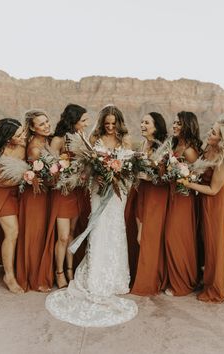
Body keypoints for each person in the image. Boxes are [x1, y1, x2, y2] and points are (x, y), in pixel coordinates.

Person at [45, 105, 138, 327]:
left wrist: (118, 173)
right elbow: (86, 167)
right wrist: (96, 175)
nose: (110, 125)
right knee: (98, 228)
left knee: (115, 228)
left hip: (118, 192)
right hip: (97, 190)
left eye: (114, 122)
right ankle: (94, 276)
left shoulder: (125, 140)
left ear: (120, 122)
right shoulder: (93, 137)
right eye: (107, 121)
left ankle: (116, 277)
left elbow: (130, 166)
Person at [178, 113, 224, 302]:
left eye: (214, 132)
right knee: (205, 240)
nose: (209, 133)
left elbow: (213, 189)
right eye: (211, 129)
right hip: (205, 200)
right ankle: (206, 276)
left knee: (214, 243)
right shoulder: (207, 147)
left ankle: (214, 286)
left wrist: (186, 183)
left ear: (223, 138)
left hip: (217, 202)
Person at [38, 104, 90, 290]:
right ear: (74, 120)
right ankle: (59, 272)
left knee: (72, 235)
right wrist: (64, 173)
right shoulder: (58, 140)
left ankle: (70, 270)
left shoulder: (81, 138)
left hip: (77, 192)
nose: (86, 123)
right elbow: (50, 170)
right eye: (83, 120)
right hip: (62, 193)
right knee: (62, 236)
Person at [164, 111, 202, 296]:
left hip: (184, 198)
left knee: (177, 238)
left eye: (179, 123)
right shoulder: (175, 144)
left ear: (187, 125)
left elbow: (197, 176)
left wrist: (182, 178)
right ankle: (174, 278)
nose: (175, 126)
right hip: (172, 195)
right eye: (174, 122)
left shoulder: (189, 150)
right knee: (170, 238)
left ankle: (183, 283)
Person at [131, 112, 169, 296]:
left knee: (146, 237)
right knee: (139, 236)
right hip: (141, 192)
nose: (142, 125)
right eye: (141, 121)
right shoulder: (141, 145)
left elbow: (164, 175)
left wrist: (149, 171)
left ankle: (149, 281)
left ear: (156, 127)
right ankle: (143, 276)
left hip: (155, 194)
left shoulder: (162, 147)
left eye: (147, 122)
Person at [16, 109, 52, 291]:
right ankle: (33, 278)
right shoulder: (34, 148)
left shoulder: (46, 142)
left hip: (44, 195)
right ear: (32, 127)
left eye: (46, 122)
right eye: (41, 124)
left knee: (42, 232)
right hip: (35, 196)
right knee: (34, 235)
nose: (46, 126)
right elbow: (41, 177)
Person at [0, 118, 25, 293]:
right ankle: (9, 276)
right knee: (12, 232)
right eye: (19, 135)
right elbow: (2, 181)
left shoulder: (21, 146)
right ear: (8, 138)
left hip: (16, 194)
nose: (23, 136)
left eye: (22, 132)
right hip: (1, 194)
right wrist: (25, 176)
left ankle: (6, 264)